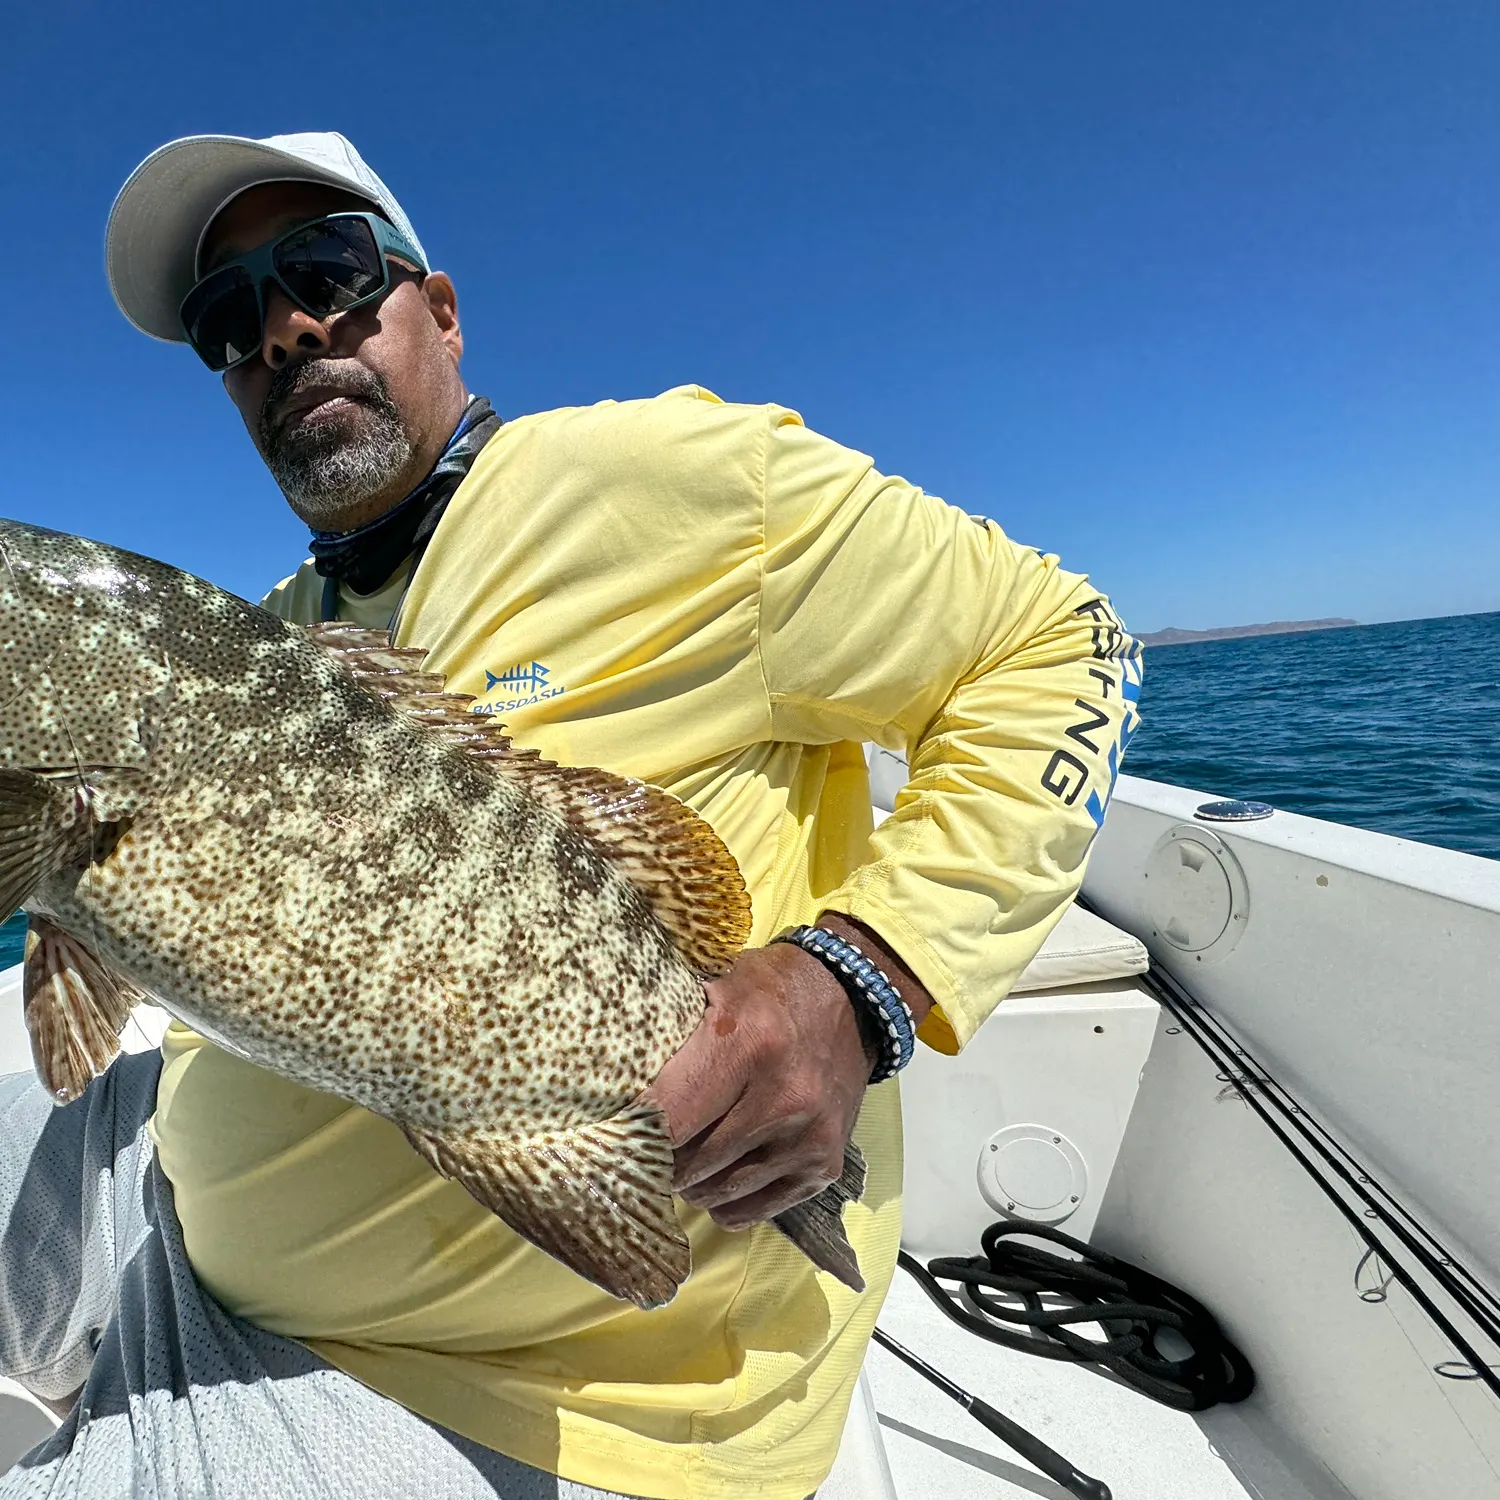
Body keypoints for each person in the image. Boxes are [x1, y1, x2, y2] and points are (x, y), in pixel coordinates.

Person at [0, 132, 1141, 1500]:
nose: (285, 327)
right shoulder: (278, 634)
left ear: (442, 307)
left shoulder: (677, 480)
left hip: (467, 1386)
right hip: (177, 1212)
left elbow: (1069, 646)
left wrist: (862, 982)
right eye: (225, 320)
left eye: (324, 269)